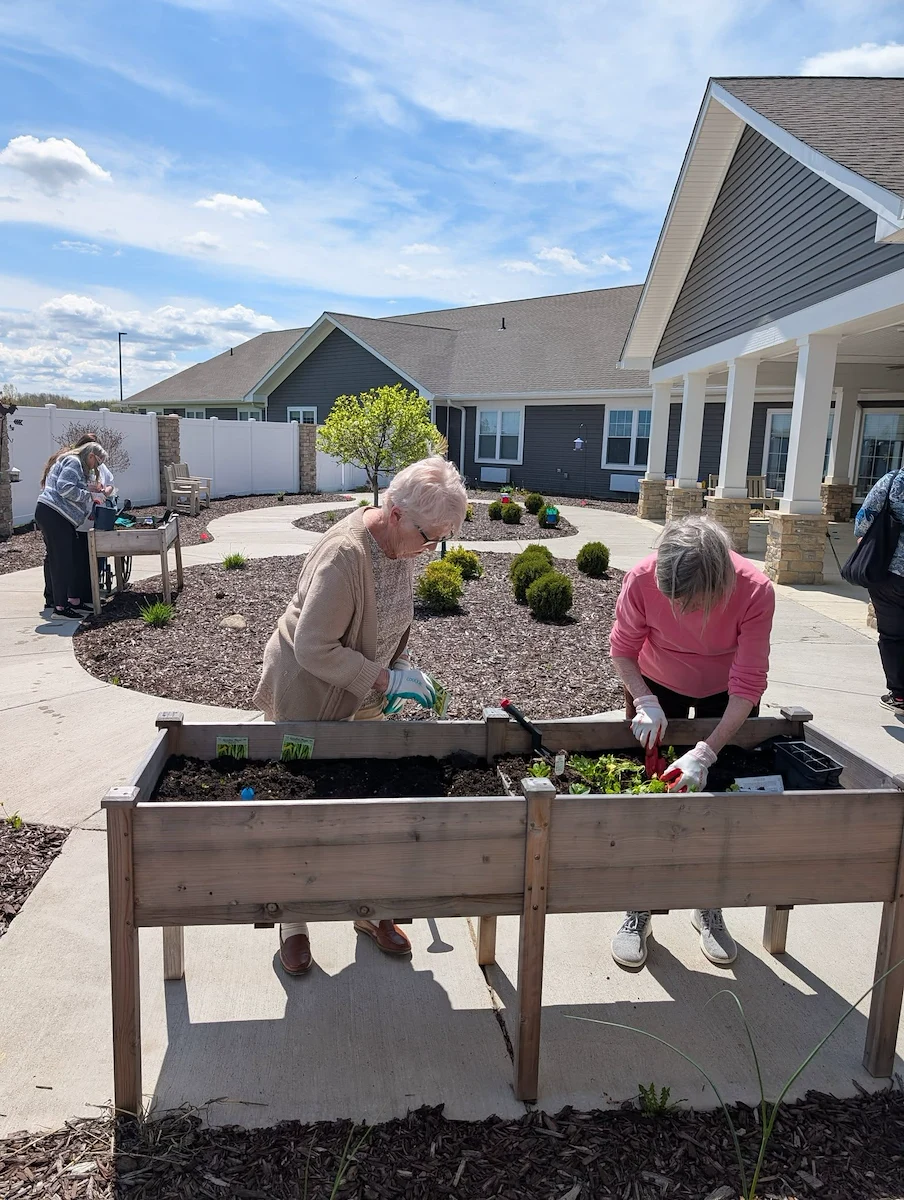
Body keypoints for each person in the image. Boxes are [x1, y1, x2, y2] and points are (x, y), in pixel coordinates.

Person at [254, 456, 469, 976]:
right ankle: (294, 918)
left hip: (361, 695)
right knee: (305, 811)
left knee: (373, 805)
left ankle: (370, 911)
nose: (431, 549)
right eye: (428, 536)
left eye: (441, 538)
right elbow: (313, 647)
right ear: (394, 512)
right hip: (307, 697)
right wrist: (385, 680)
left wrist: (396, 674)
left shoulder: (403, 542)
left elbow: (389, 622)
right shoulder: (345, 555)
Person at [607, 514, 775, 969]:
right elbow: (622, 649)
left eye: (693, 602)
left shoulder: (755, 589)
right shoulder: (641, 579)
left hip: (727, 693)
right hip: (658, 684)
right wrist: (644, 700)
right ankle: (638, 905)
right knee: (651, 793)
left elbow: (748, 685)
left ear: (719, 581)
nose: (683, 612)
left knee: (718, 797)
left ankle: (709, 903)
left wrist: (708, 749)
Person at [34, 442, 108, 620]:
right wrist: (91, 496)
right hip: (54, 514)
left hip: (60, 517)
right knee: (61, 561)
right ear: (90, 456)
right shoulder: (73, 461)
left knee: (69, 559)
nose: (96, 467)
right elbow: (65, 488)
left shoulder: (75, 464)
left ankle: (72, 601)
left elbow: (72, 486)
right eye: (97, 462)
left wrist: (89, 490)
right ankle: (60, 608)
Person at [854, 469, 904, 711]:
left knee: (892, 635)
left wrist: (862, 537)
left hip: (889, 571)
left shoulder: (894, 480)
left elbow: (865, 518)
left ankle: (900, 695)